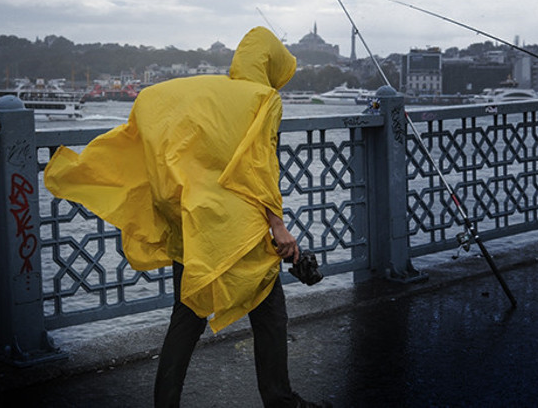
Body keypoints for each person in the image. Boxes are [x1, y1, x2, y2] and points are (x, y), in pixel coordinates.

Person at [44, 27, 329, 407]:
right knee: (269, 313)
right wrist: (278, 226)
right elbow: (258, 169)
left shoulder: (209, 92)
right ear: (272, 64)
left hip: (191, 219)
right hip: (238, 229)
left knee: (187, 315)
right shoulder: (264, 100)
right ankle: (281, 401)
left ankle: (166, 403)